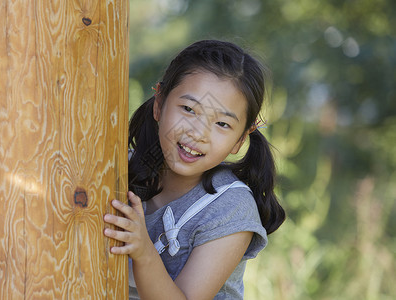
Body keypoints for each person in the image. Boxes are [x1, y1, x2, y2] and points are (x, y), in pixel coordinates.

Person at [103, 40, 285, 299]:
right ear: (159, 103)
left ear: (241, 139)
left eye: (222, 124)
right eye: (189, 109)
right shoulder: (116, 170)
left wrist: (144, 251)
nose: (198, 134)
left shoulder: (229, 208)